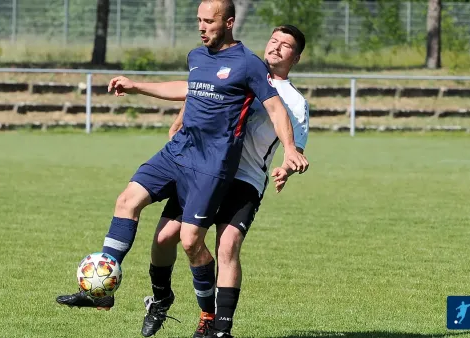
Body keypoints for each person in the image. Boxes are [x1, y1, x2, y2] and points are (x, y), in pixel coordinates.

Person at [56, 0, 308, 321]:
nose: (201, 27)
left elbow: (274, 108)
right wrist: (138, 87)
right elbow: (190, 88)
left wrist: (289, 149)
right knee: (127, 201)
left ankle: (208, 316)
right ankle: (101, 291)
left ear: (229, 23)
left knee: (190, 240)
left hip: (211, 164)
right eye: (198, 20)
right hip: (178, 152)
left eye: (209, 21)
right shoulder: (196, 55)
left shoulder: (249, 64)